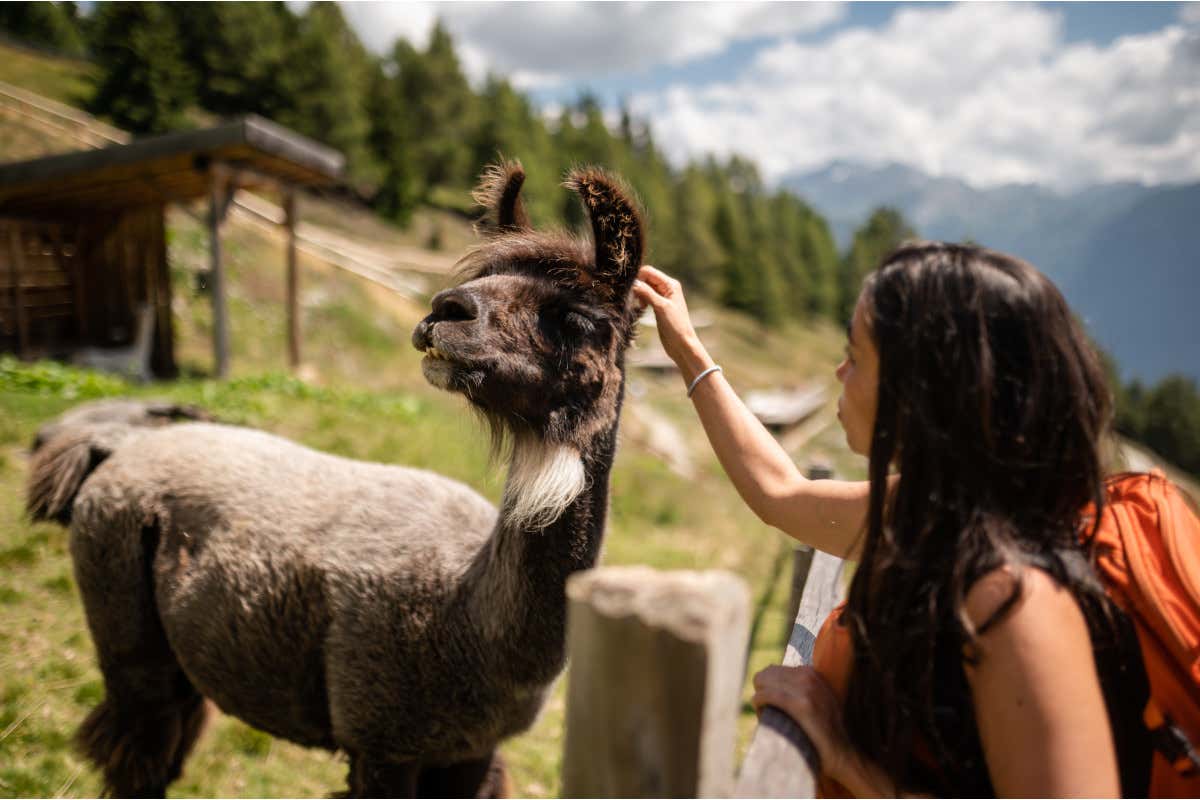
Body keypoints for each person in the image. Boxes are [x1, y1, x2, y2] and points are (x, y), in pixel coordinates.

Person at [632, 242, 1151, 797]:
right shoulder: (936, 511)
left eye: (855, 356)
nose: (838, 371)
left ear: (921, 391)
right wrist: (688, 348)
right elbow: (780, 492)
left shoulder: (1018, 602)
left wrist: (847, 761)